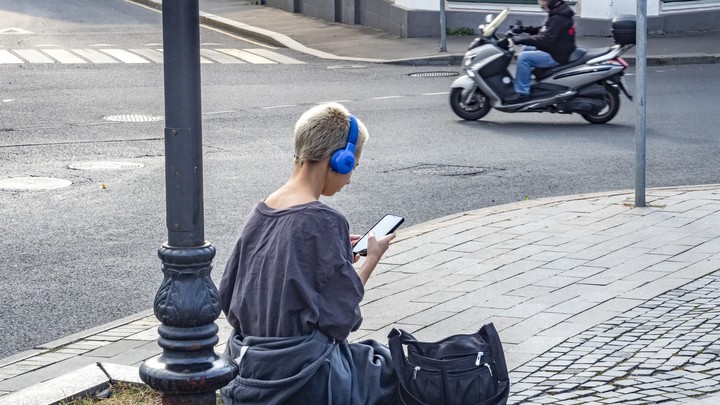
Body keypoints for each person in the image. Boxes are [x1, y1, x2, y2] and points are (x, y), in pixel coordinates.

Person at [218, 103, 398, 404]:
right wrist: (371, 259)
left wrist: (336, 260)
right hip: (302, 377)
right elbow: (341, 319)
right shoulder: (323, 221)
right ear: (338, 160)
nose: (351, 177)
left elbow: (234, 293)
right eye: (353, 166)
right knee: (396, 371)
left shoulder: (263, 209)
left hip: (251, 369)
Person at [506, 0, 576, 104]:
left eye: (543, 2)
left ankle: (522, 93)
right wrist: (523, 29)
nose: (541, 5)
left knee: (524, 58)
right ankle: (528, 82)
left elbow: (546, 39)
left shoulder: (558, 18)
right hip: (556, 49)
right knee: (526, 49)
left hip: (556, 55)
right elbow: (545, 29)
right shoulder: (558, 13)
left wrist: (522, 39)